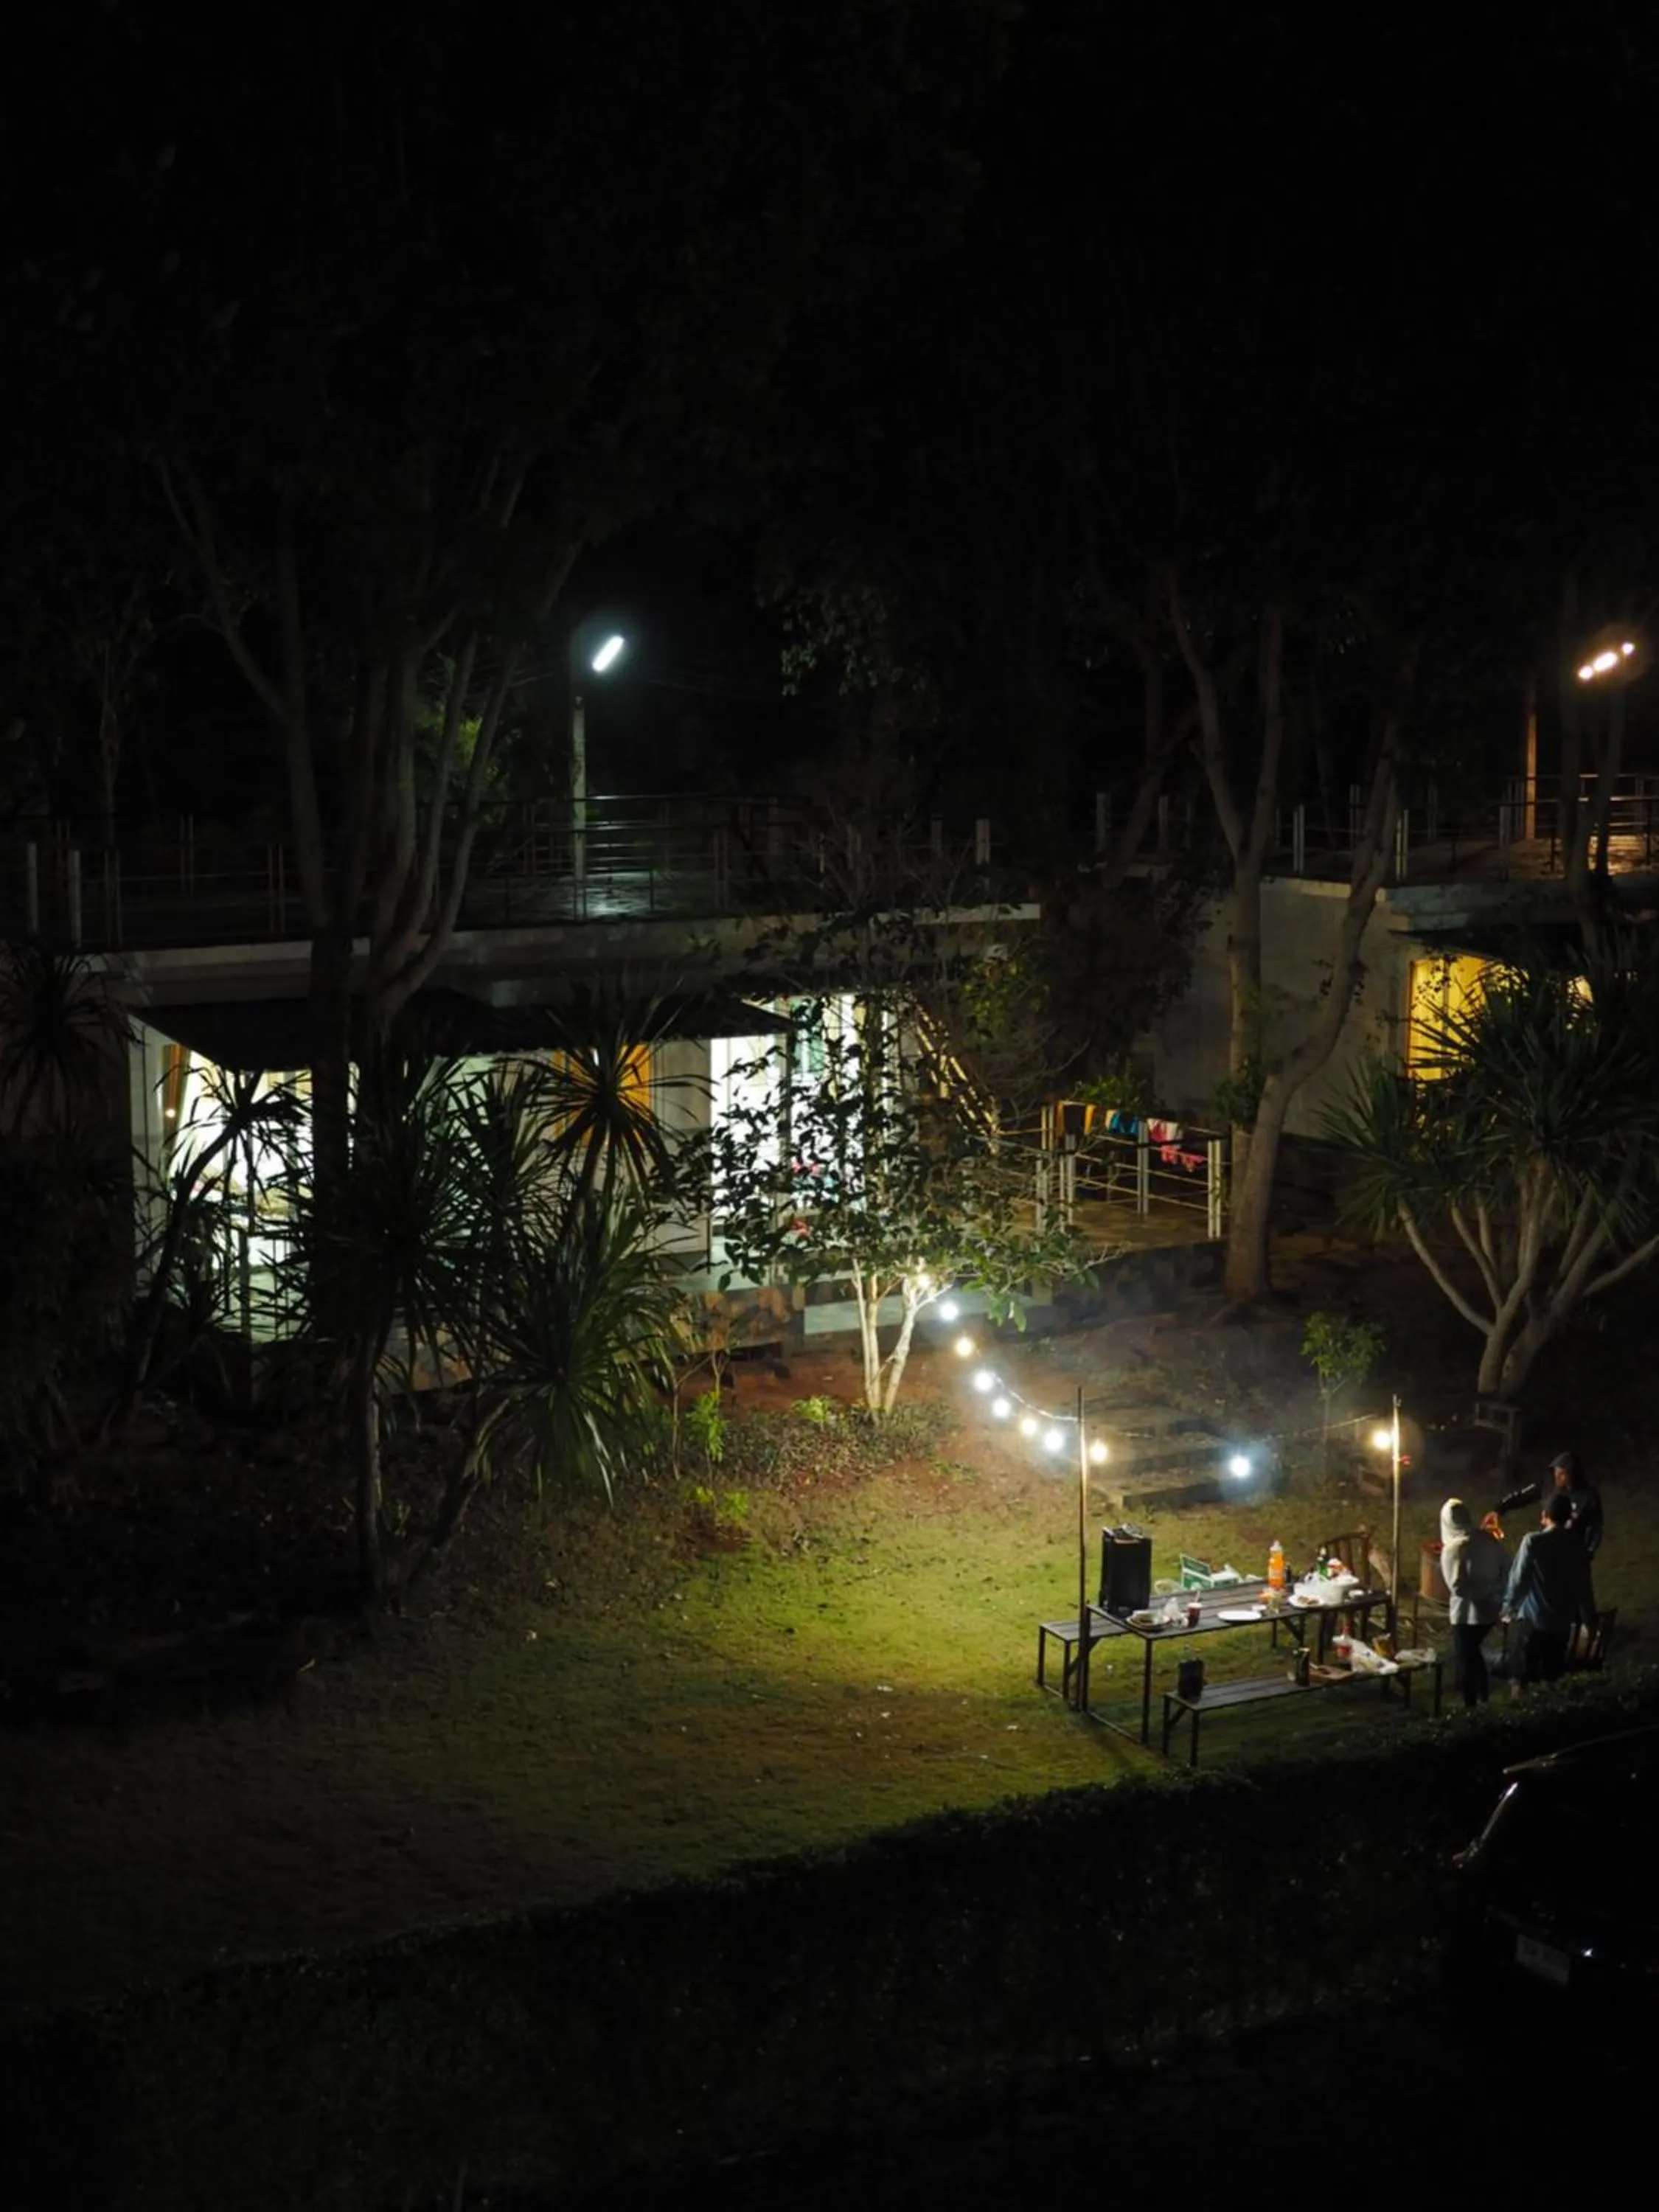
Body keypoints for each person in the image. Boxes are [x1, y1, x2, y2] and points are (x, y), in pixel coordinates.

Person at [1503, 1492, 1595, 1688]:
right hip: (1560, 1626)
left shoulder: (1533, 1542)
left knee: (1520, 1678)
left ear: (1544, 1515)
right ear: (1569, 1517)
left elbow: (1518, 1579)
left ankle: (1519, 1712)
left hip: (1532, 1624)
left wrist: (1508, 1606)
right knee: (1551, 1679)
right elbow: (1584, 1589)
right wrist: (1589, 1621)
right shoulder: (1578, 1548)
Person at [1440, 1497, 1506, 1708]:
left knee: (1467, 1657)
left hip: (1465, 1614)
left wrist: (1479, 1598)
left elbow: (1457, 1587)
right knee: (1474, 1653)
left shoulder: (1453, 1549)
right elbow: (1506, 1568)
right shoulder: (1488, 1539)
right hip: (1490, 1610)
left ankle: (1471, 1703)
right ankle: (1483, 1696)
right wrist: (1494, 1597)